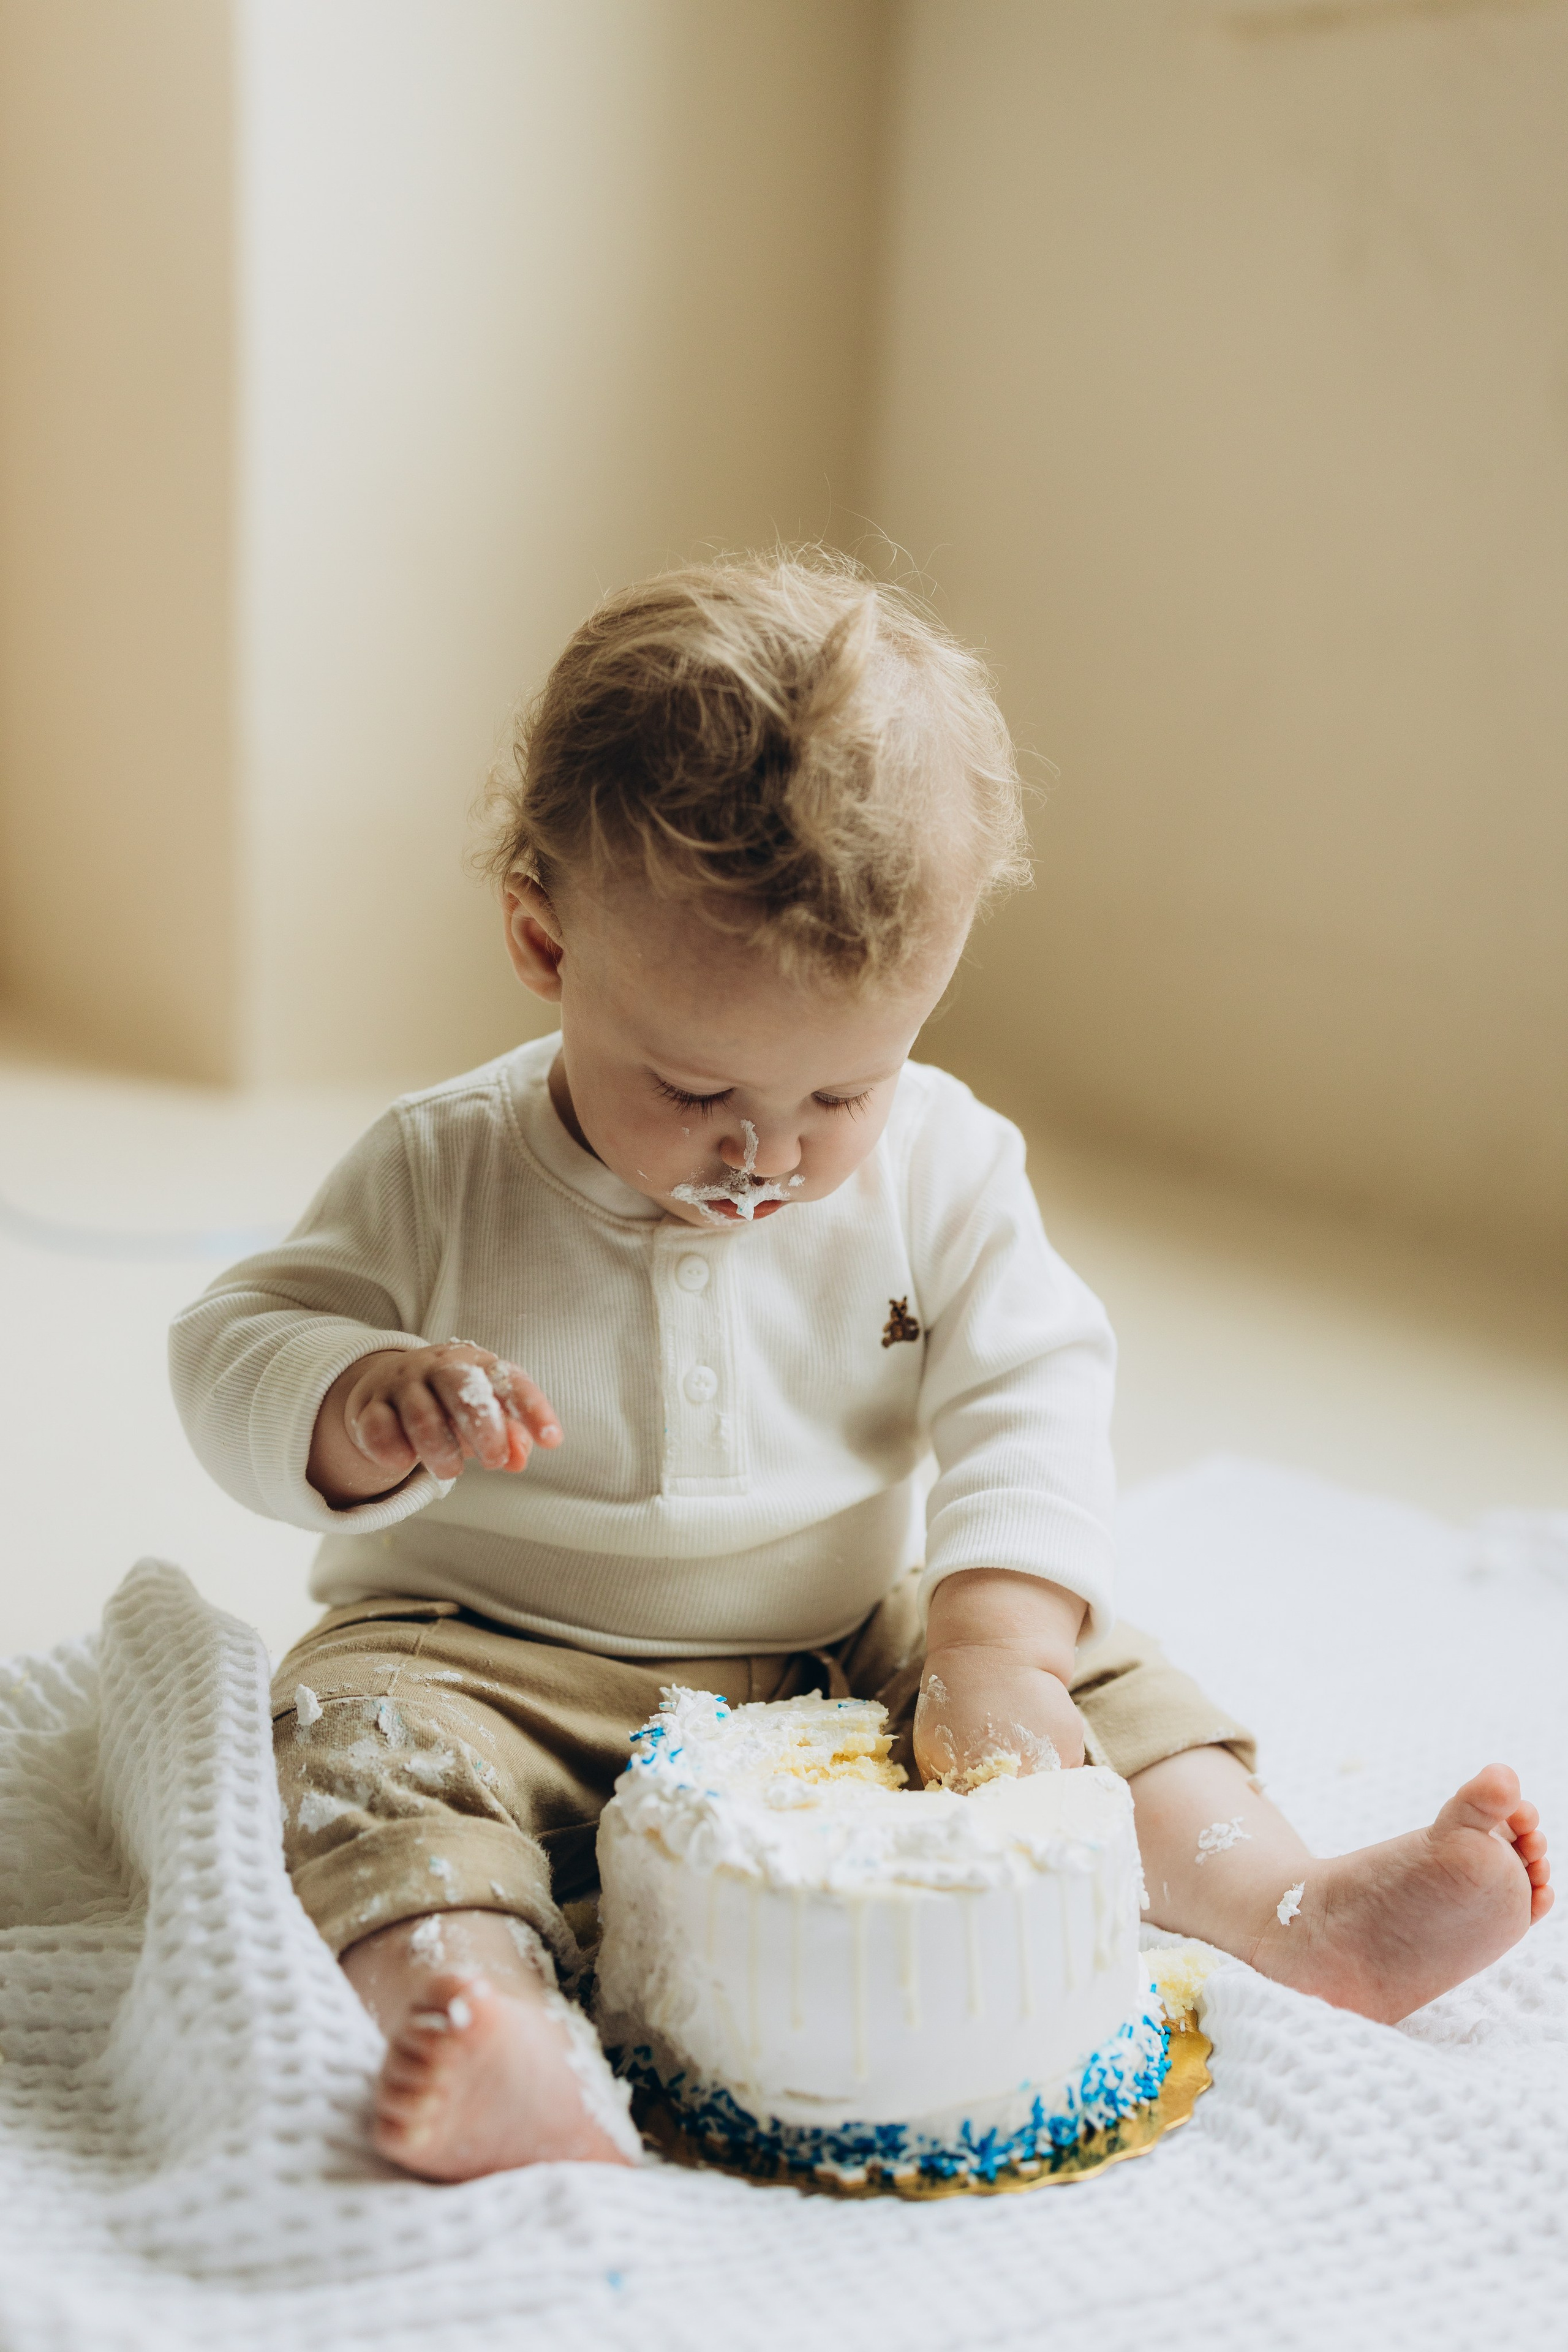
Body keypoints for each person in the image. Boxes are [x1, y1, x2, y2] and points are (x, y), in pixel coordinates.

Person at [172, 551, 1551, 2182]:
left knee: (1099, 1668)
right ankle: (481, 2020)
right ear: (545, 948)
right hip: (490, 1649)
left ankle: (1297, 1906)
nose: (764, 1158)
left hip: (845, 1631)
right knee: (346, 1754)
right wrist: (353, 1402)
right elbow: (232, 1351)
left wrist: (996, 1639)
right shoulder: (440, 1168)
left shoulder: (947, 1167)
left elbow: (1033, 1387)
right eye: (691, 1089)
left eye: (841, 1096)